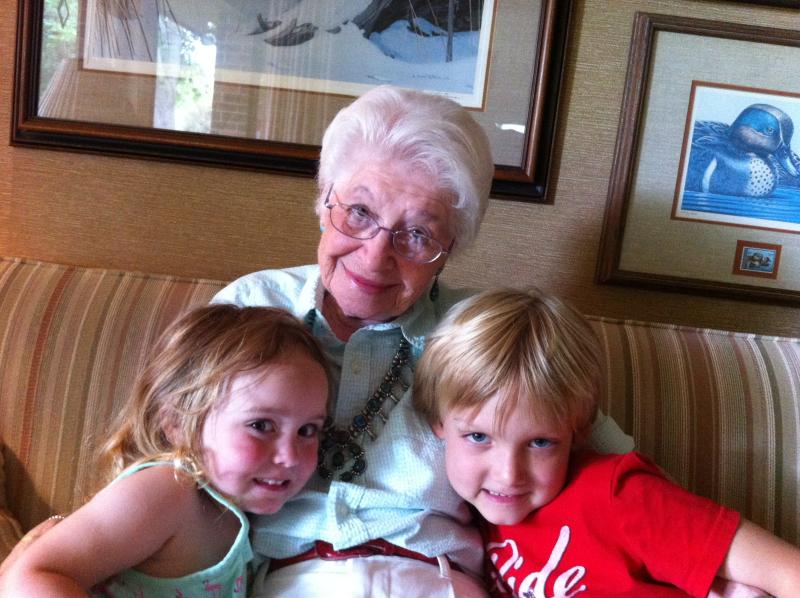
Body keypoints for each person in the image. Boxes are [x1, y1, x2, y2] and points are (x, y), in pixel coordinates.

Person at [211, 85, 634, 597]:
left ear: (450, 248)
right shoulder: (250, 307)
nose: (375, 256)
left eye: (417, 235)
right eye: (359, 212)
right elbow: (169, 454)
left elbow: (603, 456)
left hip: (434, 581)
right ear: (324, 202)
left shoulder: (484, 334)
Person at [413, 287, 800, 597]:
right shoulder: (465, 532)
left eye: (540, 443)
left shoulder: (621, 496)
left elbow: (789, 572)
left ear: (579, 430)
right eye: (478, 437)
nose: (508, 474)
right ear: (438, 424)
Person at [0, 304, 330, 597]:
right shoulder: (169, 490)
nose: (290, 456)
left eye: (307, 430)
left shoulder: (234, 514)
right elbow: (29, 579)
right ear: (177, 423)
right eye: (260, 425)